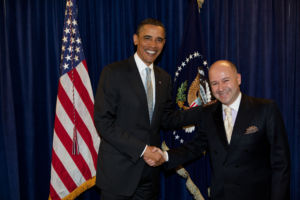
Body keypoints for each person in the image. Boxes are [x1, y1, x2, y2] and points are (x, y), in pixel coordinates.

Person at [94, 18, 201, 200]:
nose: (153, 45)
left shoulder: (164, 78)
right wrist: (143, 149)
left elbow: (166, 118)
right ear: (136, 39)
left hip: (149, 176)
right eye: (148, 38)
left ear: (164, 43)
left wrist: (204, 111)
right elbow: (104, 122)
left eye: (159, 40)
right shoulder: (113, 72)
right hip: (118, 175)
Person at [162, 60, 291, 200]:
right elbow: (195, 147)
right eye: (214, 83)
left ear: (238, 79)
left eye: (225, 80)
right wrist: (165, 156)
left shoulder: (265, 109)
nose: (220, 88)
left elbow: (281, 164)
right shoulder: (208, 113)